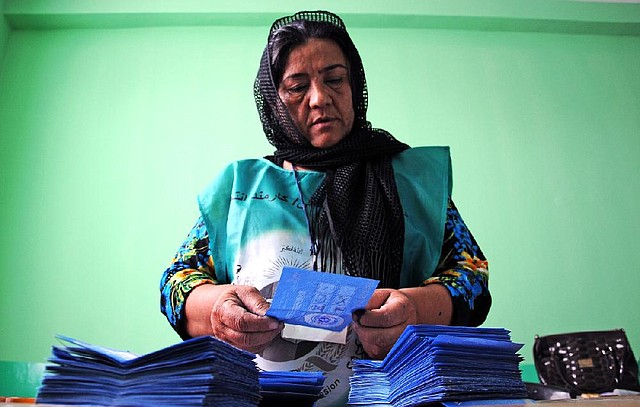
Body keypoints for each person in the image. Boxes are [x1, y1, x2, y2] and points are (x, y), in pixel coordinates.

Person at [160, 10, 491, 407]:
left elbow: (471, 276)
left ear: (355, 85)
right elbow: (176, 281)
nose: (319, 98)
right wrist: (217, 311)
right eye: (297, 87)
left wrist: (415, 310)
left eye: (334, 79)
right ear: (275, 102)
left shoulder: (409, 179)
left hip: (394, 398)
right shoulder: (241, 188)